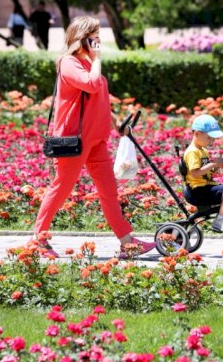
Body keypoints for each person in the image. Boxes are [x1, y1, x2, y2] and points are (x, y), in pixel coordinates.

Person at [34, 15, 156, 259]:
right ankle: (38, 239)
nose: (98, 41)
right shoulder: (69, 63)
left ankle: (127, 243)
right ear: (82, 38)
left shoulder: (90, 64)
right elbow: (90, 86)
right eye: (94, 36)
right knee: (61, 188)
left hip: (96, 140)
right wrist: (97, 59)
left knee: (109, 191)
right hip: (74, 141)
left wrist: (116, 125)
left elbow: (99, 99)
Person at [182, 114, 223, 233]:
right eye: (209, 138)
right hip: (197, 191)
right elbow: (195, 173)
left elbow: (207, 172)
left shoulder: (203, 151)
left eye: (213, 138)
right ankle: (220, 221)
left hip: (205, 187)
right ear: (197, 133)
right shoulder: (192, 152)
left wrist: (216, 166)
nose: (211, 141)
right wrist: (212, 164)